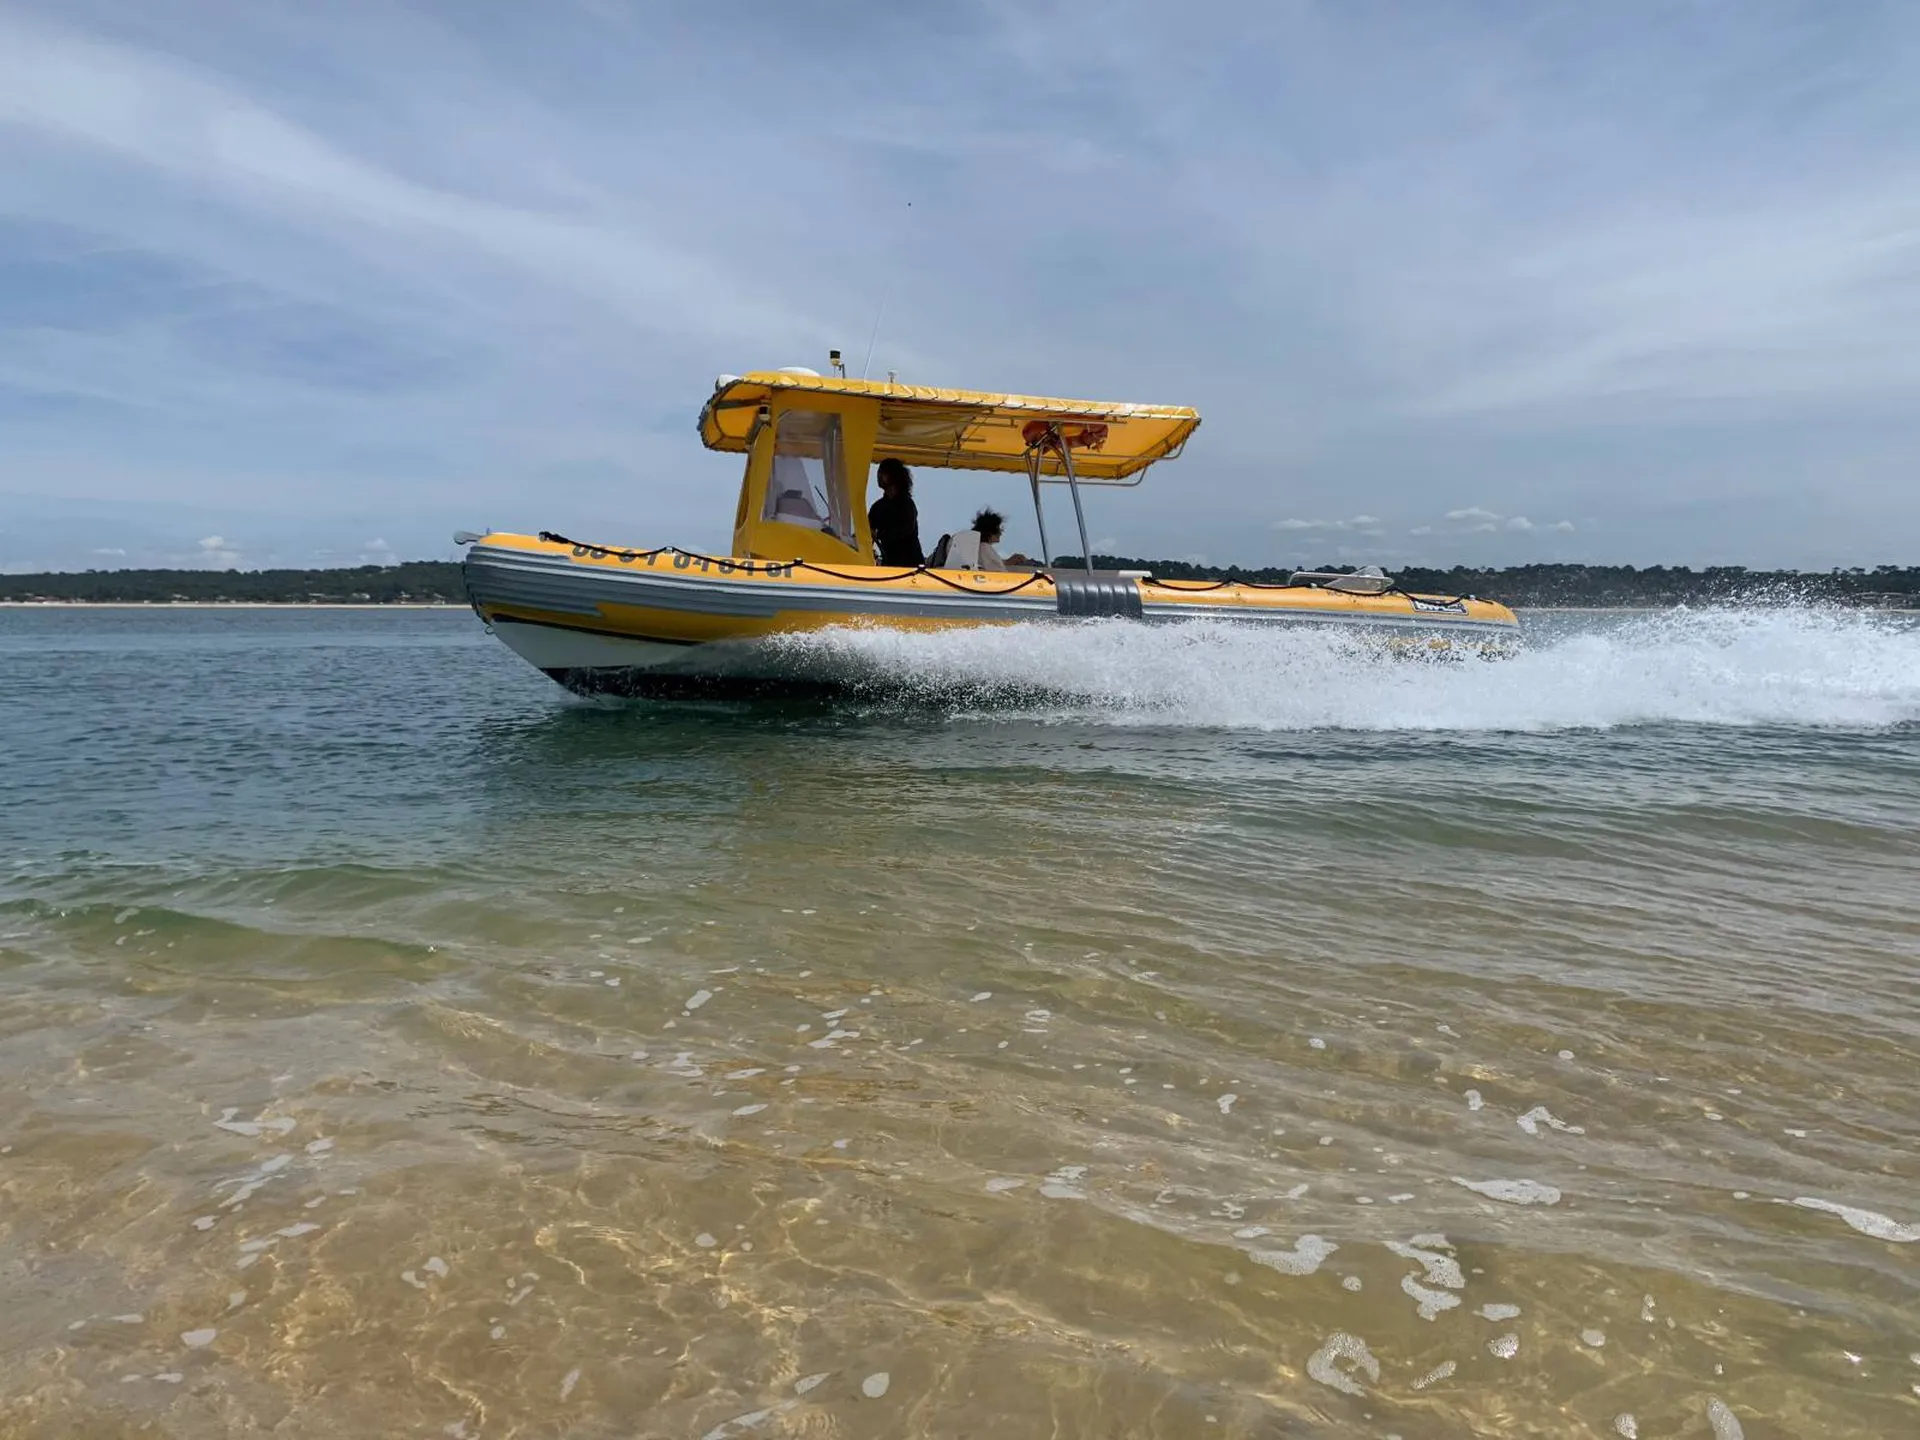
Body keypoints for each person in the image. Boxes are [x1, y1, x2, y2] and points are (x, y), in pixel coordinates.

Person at [866, 457, 924, 565]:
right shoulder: (877, 507)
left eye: (882, 472)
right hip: (890, 564)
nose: (878, 475)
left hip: (911, 564)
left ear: (893, 475)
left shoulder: (907, 504)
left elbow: (905, 529)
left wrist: (879, 535)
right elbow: (867, 533)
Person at [939, 508, 1033, 571]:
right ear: (990, 531)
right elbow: (999, 572)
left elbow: (985, 562)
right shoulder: (984, 548)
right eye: (999, 529)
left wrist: (1007, 562)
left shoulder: (970, 544)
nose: (1001, 533)